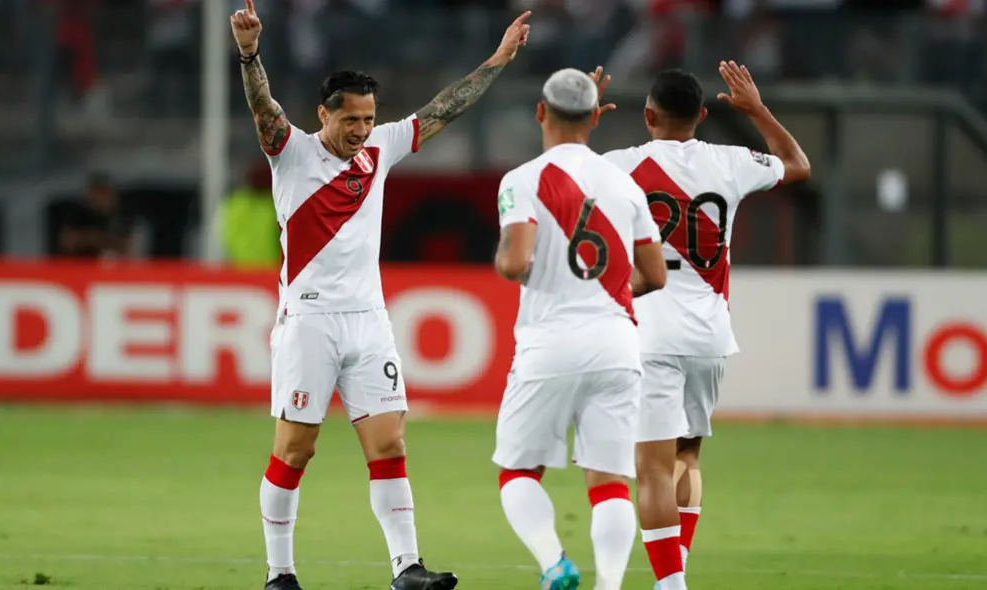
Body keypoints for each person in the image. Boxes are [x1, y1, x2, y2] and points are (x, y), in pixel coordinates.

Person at [229, 2, 532, 589]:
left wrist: (497, 59)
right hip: (309, 322)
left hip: (369, 322)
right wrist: (249, 53)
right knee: (295, 450)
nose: (363, 129)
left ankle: (406, 568)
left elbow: (449, 104)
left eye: (369, 118)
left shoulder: (383, 149)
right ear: (324, 115)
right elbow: (262, 107)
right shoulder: (289, 152)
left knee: (389, 441)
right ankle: (279, 573)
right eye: (352, 120)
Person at [593, 62, 811, 590]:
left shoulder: (618, 165)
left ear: (647, 115)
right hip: (710, 334)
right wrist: (756, 108)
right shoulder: (731, 162)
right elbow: (797, 165)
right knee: (687, 455)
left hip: (647, 330)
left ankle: (671, 585)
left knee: (650, 468)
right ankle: (677, 575)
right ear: (704, 114)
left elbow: (555, 173)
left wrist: (580, 120)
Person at [492, 68, 668, 590]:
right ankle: (609, 585)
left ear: (540, 112)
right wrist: (605, 290)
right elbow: (655, 274)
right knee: (609, 482)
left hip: (549, 341)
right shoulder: (625, 183)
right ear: (596, 117)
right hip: (616, 342)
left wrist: (512, 260)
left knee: (517, 472)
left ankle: (554, 564)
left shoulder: (521, 179)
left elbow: (514, 261)